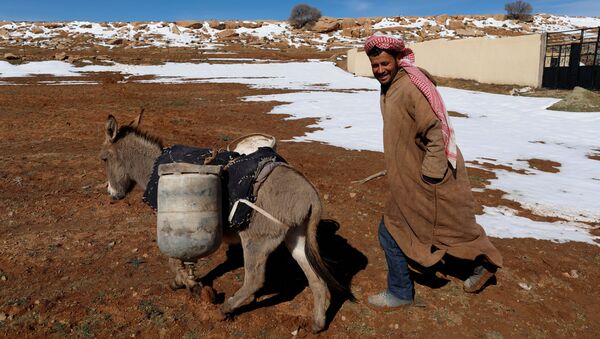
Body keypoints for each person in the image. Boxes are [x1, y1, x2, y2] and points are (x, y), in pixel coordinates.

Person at [364, 34, 503, 308]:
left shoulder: (411, 88)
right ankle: (478, 265)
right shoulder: (392, 86)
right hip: (413, 176)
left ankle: (401, 292)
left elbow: (436, 131)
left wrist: (429, 176)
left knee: (393, 228)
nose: (380, 70)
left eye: (384, 63)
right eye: (375, 65)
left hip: (430, 178)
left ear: (397, 59)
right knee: (448, 228)